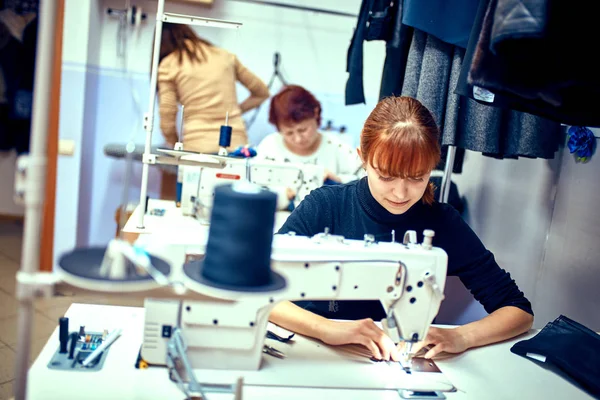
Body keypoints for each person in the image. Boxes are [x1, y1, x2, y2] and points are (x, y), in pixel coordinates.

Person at [270, 96, 534, 361]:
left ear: (433, 166)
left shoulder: (442, 222)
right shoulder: (325, 206)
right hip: (308, 350)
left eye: (417, 177)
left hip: (386, 357)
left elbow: (517, 310)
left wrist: (461, 336)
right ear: (362, 158)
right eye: (386, 176)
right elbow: (256, 287)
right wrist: (326, 328)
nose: (400, 193)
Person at [157, 23, 269, 153]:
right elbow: (262, 92)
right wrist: (233, 111)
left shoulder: (169, 64)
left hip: (197, 146)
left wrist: (175, 143)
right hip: (235, 144)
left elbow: (167, 115)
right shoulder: (225, 56)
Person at [256, 85, 363, 207]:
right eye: (289, 133)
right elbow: (254, 193)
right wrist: (284, 195)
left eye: (303, 130)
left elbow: (366, 184)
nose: (298, 139)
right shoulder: (270, 147)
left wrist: (339, 181)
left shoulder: (337, 148)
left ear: (316, 114)